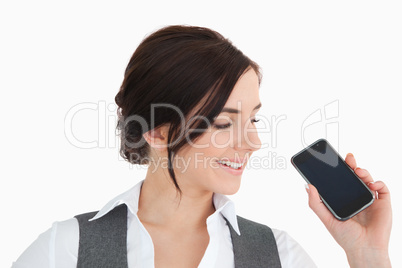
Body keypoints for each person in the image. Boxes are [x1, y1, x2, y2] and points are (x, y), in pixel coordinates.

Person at [12, 25, 392, 268]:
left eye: (253, 119)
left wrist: (367, 255)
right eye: (225, 123)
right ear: (157, 132)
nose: (254, 143)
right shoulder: (66, 249)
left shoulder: (278, 254)